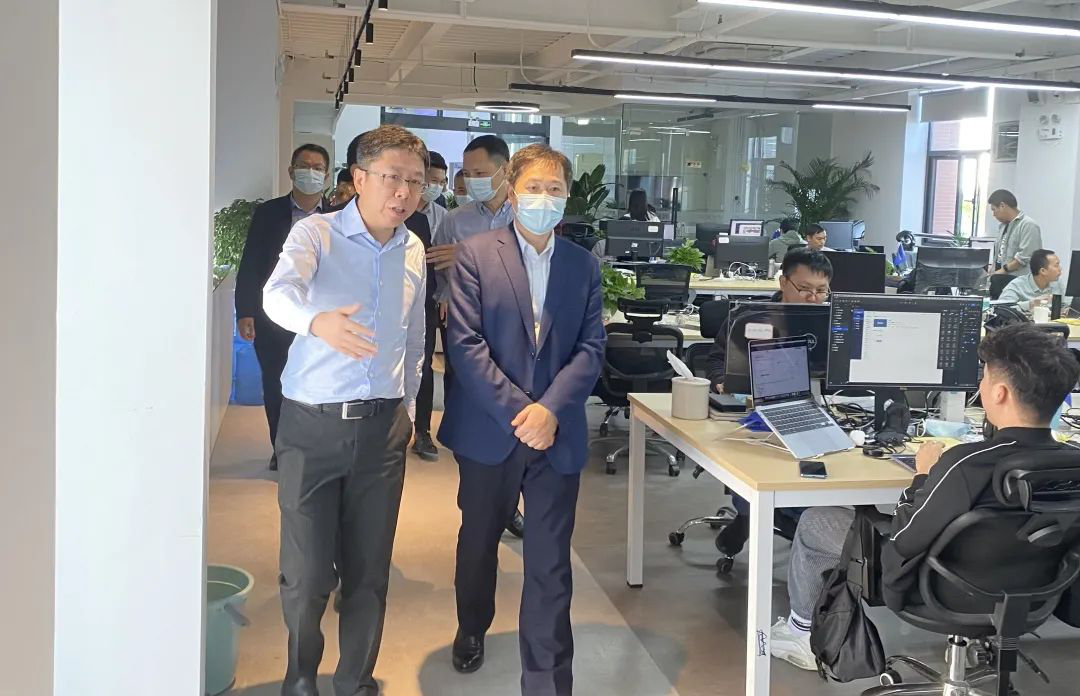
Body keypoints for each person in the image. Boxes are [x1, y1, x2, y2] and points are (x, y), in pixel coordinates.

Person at [769, 322, 1080, 670]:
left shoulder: (964, 464)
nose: (980, 385)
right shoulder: (1073, 462)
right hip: (1036, 596)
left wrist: (922, 476)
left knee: (816, 520)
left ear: (1000, 393)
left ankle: (801, 634)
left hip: (935, 590)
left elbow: (905, 538)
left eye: (984, 377)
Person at [262, 125, 429, 696]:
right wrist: (317, 322)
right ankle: (301, 676)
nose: (404, 192)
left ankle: (355, 680)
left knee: (368, 572)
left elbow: (414, 335)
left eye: (415, 181)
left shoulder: (412, 247)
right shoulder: (317, 233)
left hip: (383, 428)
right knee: (307, 573)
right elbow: (276, 293)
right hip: (311, 425)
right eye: (392, 178)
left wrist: (409, 407)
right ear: (359, 179)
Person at [437, 143, 605, 694]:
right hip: (490, 430)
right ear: (512, 191)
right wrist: (522, 413)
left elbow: (591, 348)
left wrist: (550, 410)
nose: (543, 198)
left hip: (557, 434)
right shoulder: (475, 254)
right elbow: (465, 345)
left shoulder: (582, 264)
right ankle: (472, 626)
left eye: (555, 189)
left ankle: (547, 682)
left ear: (567, 197)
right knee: (479, 541)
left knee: (550, 564)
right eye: (534, 187)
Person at [705, 248, 833, 557]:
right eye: (805, 289)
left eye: (821, 291)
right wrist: (723, 382)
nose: (813, 298)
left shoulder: (834, 321)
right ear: (783, 282)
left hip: (818, 411)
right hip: (756, 413)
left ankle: (798, 525)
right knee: (760, 466)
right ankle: (757, 514)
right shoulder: (750, 317)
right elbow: (717, 361)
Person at [429, 135, 525, 538]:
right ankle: (475, 501)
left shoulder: (528, 215)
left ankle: (509, 505)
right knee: (469, 418)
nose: (473, 180)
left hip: (517, 336)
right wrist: (446, 295)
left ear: (505, 170)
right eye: (467, 174)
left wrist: (471, 256)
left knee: (515, 421)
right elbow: (440, 273)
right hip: (467, 333)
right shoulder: (455, 220)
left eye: (481, 172)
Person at [235, 143, 330, 470]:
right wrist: (245, 310)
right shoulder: (269, 213)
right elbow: (251, 263)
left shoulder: (338, 218)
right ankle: (281, 447)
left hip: (320, 319)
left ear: (327, 176)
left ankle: (314, 448)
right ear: (291, 171)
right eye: (305, 165)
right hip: (273, 316)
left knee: (317, 384)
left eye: (318, 168)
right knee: (275, 382)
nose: (311, 172)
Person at [410, 150, 450, 461]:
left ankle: (422, 431)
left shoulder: (444, 216)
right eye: (429, 180)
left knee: (423, 367)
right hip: (400, 298)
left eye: (440, 182)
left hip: (430, 300)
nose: (434, 186)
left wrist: (443, 295)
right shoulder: (401, 211)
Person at [989, 189, 1042, 276]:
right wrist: (993, 270)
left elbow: (1025, 257)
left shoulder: (1028, 225)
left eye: (994, 210)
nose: (994, 214)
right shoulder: (1003, 226)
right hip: (1000, 277)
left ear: (1002, 206)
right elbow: (999, 255)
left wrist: (1003, 270)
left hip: (1018, 280)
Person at [998, 248, 1067, 313]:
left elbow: (1064, 306)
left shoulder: (1057, 283)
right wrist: (1031, 304)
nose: (1060, 268)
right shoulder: (1016, 285)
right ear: (1043, 271)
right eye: (1056, 265)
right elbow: (1001, 309)